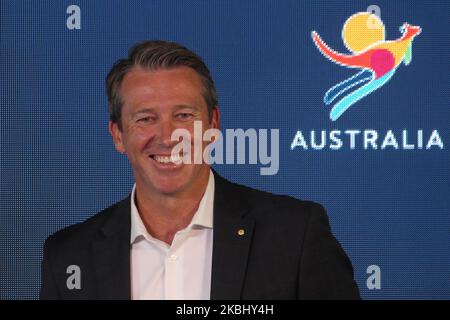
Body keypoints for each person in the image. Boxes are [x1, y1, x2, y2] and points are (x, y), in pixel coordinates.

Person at [40, 40, 360, 300]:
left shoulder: (294, 235)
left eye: (183, 115)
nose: (168, 137)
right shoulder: (69, 255)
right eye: (146, 118)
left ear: (213, 124)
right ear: (118, 135)